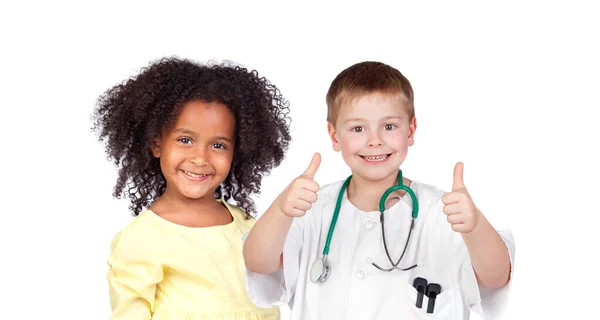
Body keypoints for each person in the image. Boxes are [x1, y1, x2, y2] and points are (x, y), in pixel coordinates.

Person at [243, 61, 515, 319]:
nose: (375, 141)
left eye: (389, 126)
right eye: (358, 128)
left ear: (411, 131)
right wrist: (280, 210)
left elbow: (496, 278)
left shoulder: (444, 213)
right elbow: (259, 262)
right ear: (335, 136)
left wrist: (475, 226)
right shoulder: (310, 209)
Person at [92, 57, 291, 319]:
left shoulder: (246, 226)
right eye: (185, 140)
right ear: (156, 144)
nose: (200, 158)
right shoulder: (143, 238)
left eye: (218, 145)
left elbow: (269, 301)